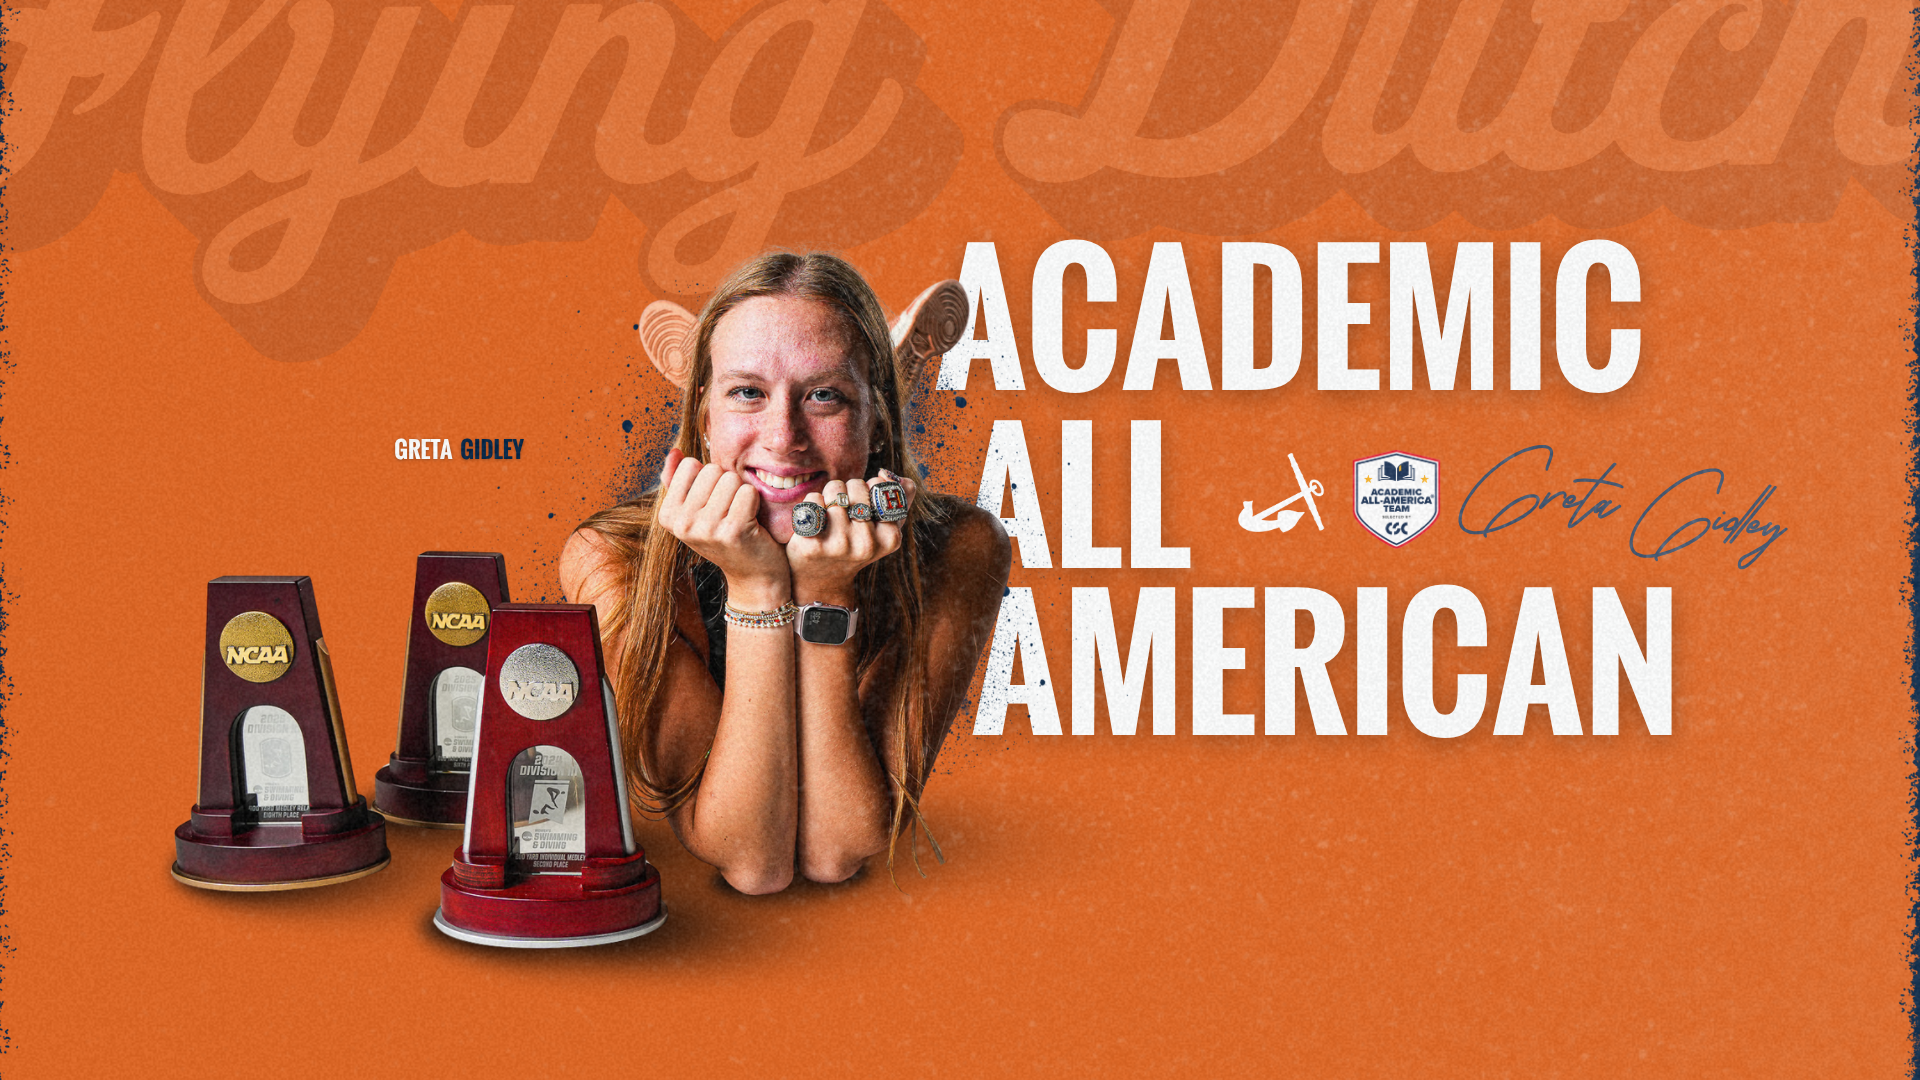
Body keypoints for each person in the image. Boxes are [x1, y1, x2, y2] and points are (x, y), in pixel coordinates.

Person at [559, 252, 1010, 894]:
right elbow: (751, 861)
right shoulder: (611, 558)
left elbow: (838, 850)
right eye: (747, 392)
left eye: (824, 396)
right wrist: (757, 586)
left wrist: (825, 592)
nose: (783, 437)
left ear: (878, 419)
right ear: (703, 416)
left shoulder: (958, 546)